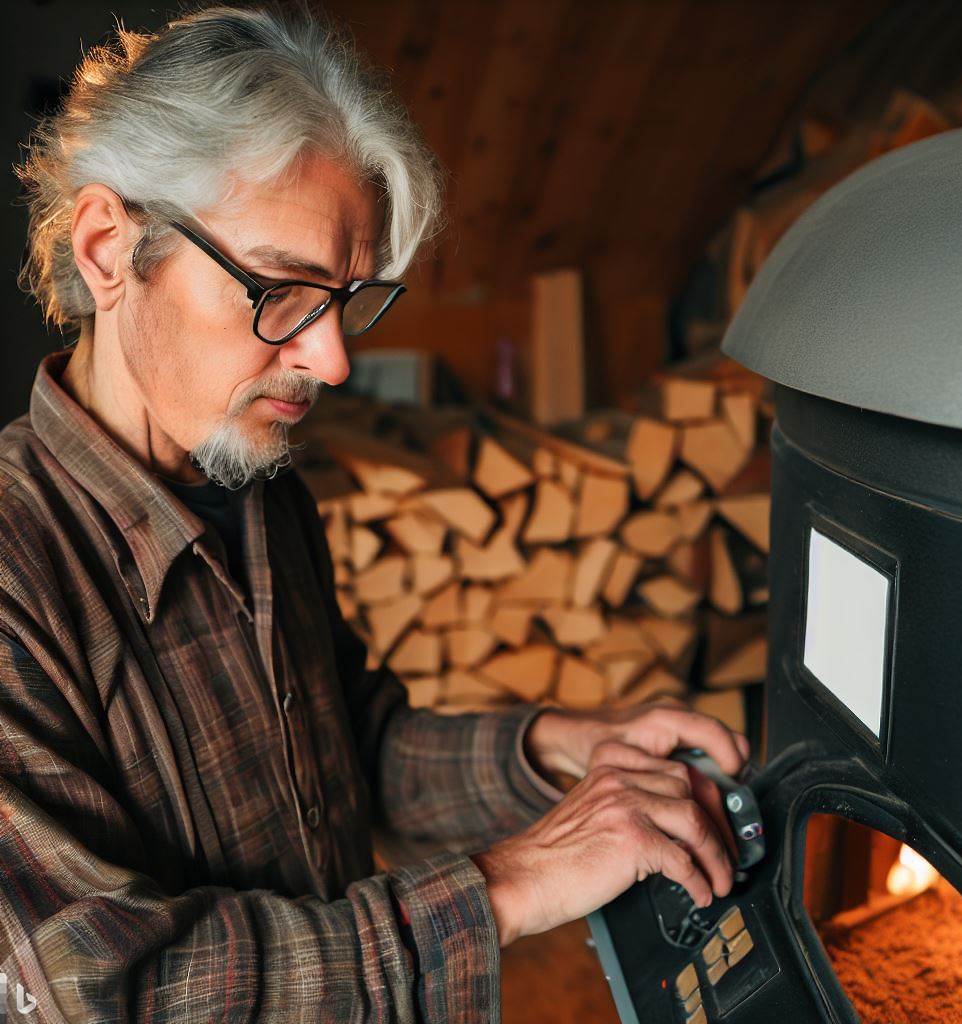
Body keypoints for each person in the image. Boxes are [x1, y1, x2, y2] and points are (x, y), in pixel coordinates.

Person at [3, 3, 749, 1020]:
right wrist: (510, 883)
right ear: (106, 248)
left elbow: (350, 749)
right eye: (280, 291)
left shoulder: (257, 491)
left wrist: (554, 749)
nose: (333, 357)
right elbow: (107, 988)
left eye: (346, 299)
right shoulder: (16, 573)